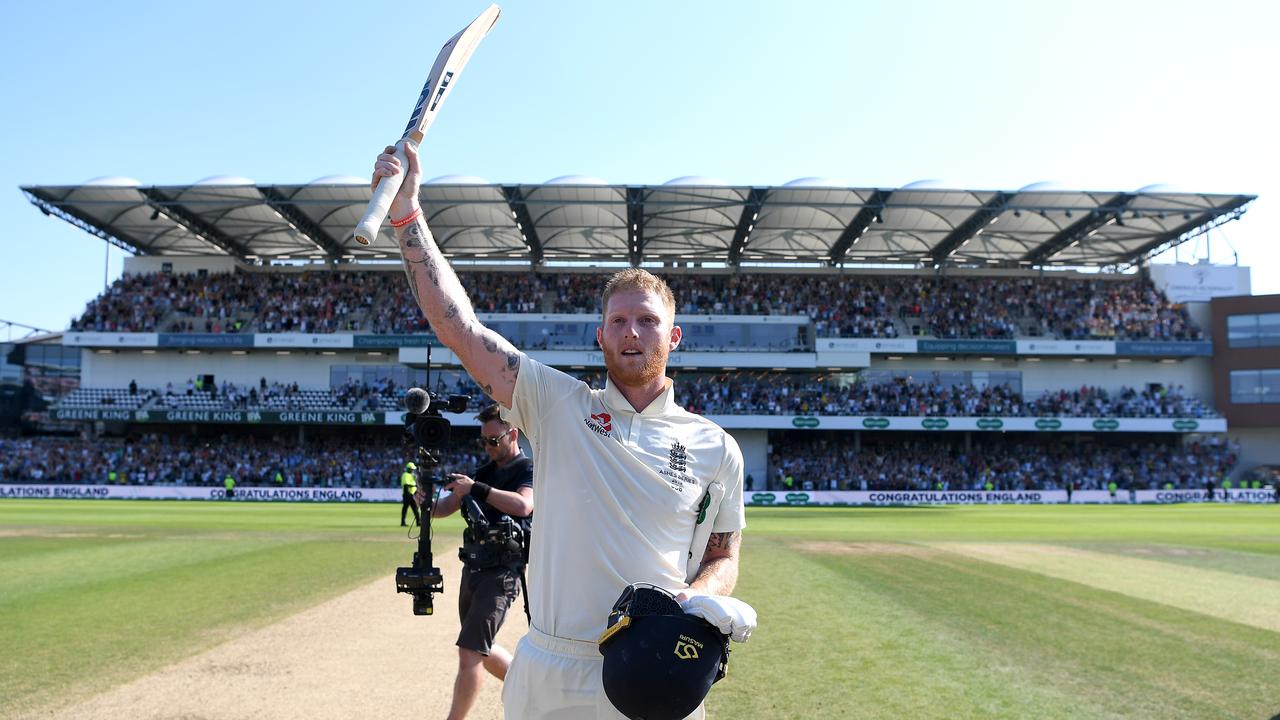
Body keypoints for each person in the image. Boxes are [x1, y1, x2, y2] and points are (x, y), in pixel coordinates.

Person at [374, 144, 746, 720]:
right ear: (600, 336)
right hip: (551, 666)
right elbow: (460, 328)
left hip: (652, 666)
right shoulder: (556, 404)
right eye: (618, 321)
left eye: (648, 321)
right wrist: (407, 217)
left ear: (673, 338)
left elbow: (723, 554)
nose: (632, 333)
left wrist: (699, 596)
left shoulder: (715, 447)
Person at [419, 404, 534, 720]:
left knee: (470, 652)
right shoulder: (483, 472)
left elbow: (524, 505)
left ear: (512, 434)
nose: (487, 447)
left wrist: (476, 489)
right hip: (474, 567)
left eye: (493, 440)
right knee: (478, 647)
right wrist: (425, 498)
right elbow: (444, 508)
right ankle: (533, 688)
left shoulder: (528, 469)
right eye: (483, 441)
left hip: (502, 571)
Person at [400, 461, 420, 527]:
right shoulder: (405, 475)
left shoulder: (412, 475)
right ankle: (403, 522)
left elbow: (416, 483)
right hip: (407, 494)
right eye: (412, 469)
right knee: (405, 509)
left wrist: (416, 480)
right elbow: (406, 485)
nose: (413, 470)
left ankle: (418, 522)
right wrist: (414, 486)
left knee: (415, 509)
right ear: (409, 469)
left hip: (412, 494)